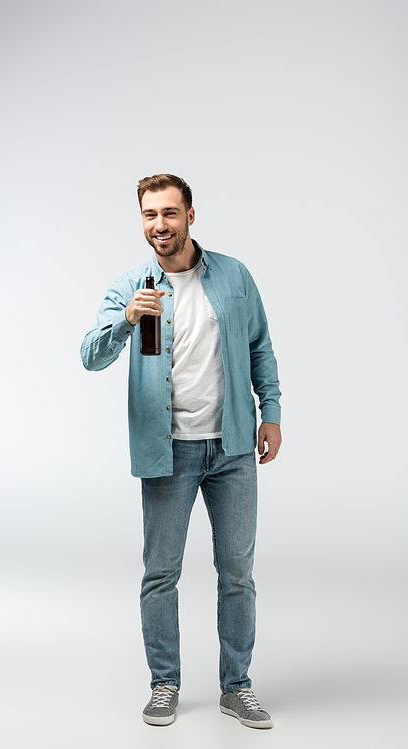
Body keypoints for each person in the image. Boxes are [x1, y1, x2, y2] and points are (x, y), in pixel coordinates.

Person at [80, 174, 282, 729]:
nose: (160, 226)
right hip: (168, 452)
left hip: (234, 446)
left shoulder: (235, 275)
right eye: (149, 215)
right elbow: (90, 357)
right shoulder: (131, 286)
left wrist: (274, 414)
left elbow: (261, 346)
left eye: (169, 213)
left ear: (191, 215)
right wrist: (127, 321)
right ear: (142, 220)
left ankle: (236, 686)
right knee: (160, 574)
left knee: (237, 573)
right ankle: (165, 682)